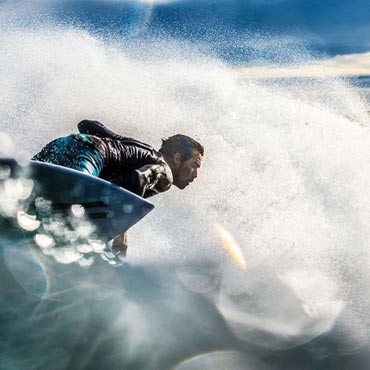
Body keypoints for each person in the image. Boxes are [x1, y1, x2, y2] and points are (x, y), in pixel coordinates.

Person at [32, 120, 204, 256]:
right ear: (177, 158)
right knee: (64, 219)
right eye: (195, 166)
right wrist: (121, 233)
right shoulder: (166, 174)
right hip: (89, 157)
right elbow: (138, 179)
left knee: (24, 188)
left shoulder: (137, 149)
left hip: (62, 145)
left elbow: (86, 125)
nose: (195, 175)